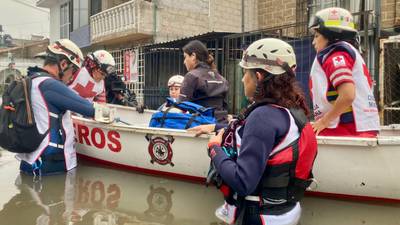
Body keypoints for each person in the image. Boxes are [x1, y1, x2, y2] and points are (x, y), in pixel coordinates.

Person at [206, 38, 317, 225]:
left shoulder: (263, 116)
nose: (242, 79)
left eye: (244, 73)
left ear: (258, 76)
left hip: (259, 215)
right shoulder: (292, 109)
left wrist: (214, 149)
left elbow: (243, 182)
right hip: (284, 212)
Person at [16, 39, 110, 176]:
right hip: (47, 166)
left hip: (34, 161)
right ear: (64, 64)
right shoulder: (51, 85)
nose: (72, 76)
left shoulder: (33, 80)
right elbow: (90, 109)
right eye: (73, 71)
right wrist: (112, 115)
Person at [309, 7, 380, 137]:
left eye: (317, 36)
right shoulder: (348, 53)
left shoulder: (335, 56)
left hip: (346, 129)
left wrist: (324, 121)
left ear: (330, 34)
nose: (313, 42)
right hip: (361, 127)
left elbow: (347, 95)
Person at [179, 40, 229, 123]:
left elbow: (181, 105)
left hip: (199, 126)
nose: (184, 62)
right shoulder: (222, 79)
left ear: (193, 56)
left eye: (185, 57)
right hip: (220, 126)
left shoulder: (191, 76)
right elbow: (224, 106)